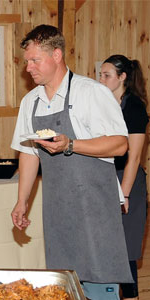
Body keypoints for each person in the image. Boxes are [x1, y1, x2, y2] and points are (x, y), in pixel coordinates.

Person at [10, 24, 133, 299]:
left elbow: (120, 143)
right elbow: (29, 153)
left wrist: (72, 144)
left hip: (95, 205)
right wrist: (22, 201)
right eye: (26, 61)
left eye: (34, 60)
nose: (28, 68)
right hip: (58, 208)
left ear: (56, 55)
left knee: (100, 281)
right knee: (65, 284)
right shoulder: (30, 102)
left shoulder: (91, 92)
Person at [100, 55, 149, 300]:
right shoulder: (103, 104)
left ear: (122, 77)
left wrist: (124, 194)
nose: (101, 79)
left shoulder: (134, 107)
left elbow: (134, 156)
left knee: (126, 252)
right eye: (100, 74)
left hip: (128, 181)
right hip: (105, 178)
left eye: (107, 75)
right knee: (107, 250)